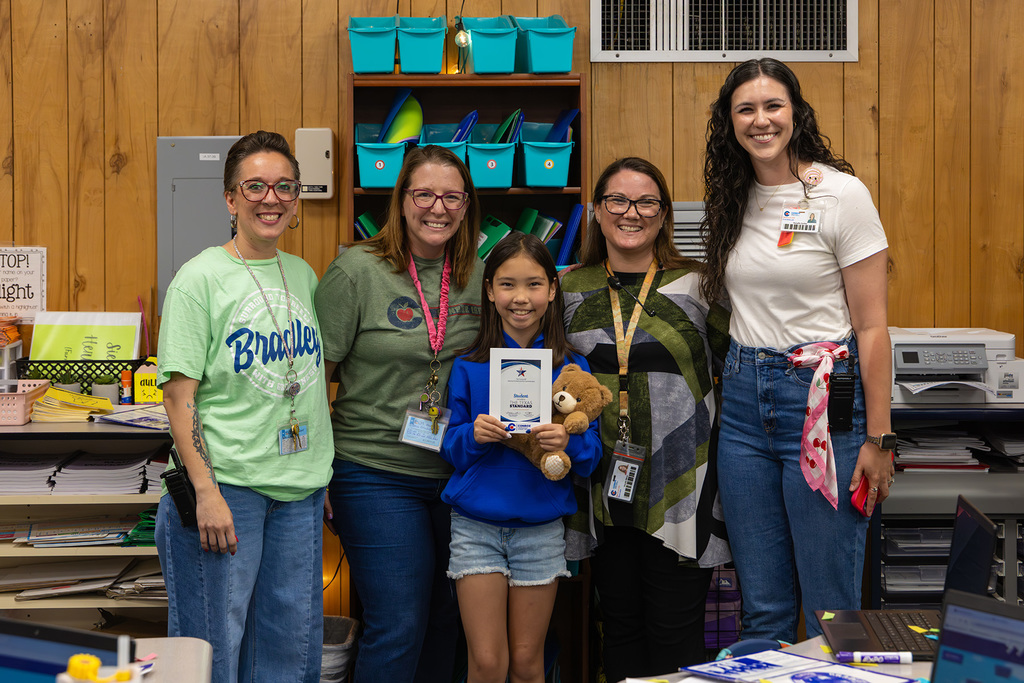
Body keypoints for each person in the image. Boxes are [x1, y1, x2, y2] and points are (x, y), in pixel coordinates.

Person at [700, 58, 893, 643]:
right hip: (741, 409)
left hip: (821, 402)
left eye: (773, 106)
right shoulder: (732, 198)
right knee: (762, 609)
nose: (761, 121)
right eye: (746, 109)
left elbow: (873, 327)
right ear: (729, 122)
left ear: (796, 113)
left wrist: (879, 438)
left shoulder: (840, 194)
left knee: (831, 608)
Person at [155, 130, 333, 682]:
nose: (271, 198)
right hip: (228, 492)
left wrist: (316, 472)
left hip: (299, 494)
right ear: (230, 198)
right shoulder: (199, 278)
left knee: (289, 654)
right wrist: (205, 493)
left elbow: (301, 381)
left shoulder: (301, 273)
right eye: (254, 186)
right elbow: (177, 396)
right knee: (213, 653)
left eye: (284, 187)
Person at [314, 145, 484, 683]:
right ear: (401, 201)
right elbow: (315, 377)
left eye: (451, 196)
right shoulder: (356, 271)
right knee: (398, 623)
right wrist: (315, 472)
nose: (438, 207)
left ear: (466, 204)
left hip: (460, 473)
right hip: (374, 470)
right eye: (424, 194)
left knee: (447, 620)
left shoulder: (484, 273)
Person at [561, 157, 732, 680]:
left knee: (676, 634)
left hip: (684, 482)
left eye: (646, 202)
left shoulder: (700, 286)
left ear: (664, 216)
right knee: (619, 626)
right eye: (617, 200)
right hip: (599, 484)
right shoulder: (566, 288)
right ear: (596, 210)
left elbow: (737, 369)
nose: (631, 212)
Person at [441, 232, 602, 683]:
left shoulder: (573, 368)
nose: (521, 298)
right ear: (489, 291)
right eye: (507, 284)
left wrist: (566, 443)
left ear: (553, 290)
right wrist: (473, 435)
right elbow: (449, 448)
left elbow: (591, 458)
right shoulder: (469, 365)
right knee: (488, 663)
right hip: (475, 526)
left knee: (529, 664)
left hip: (540, 529)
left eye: (534, 284)